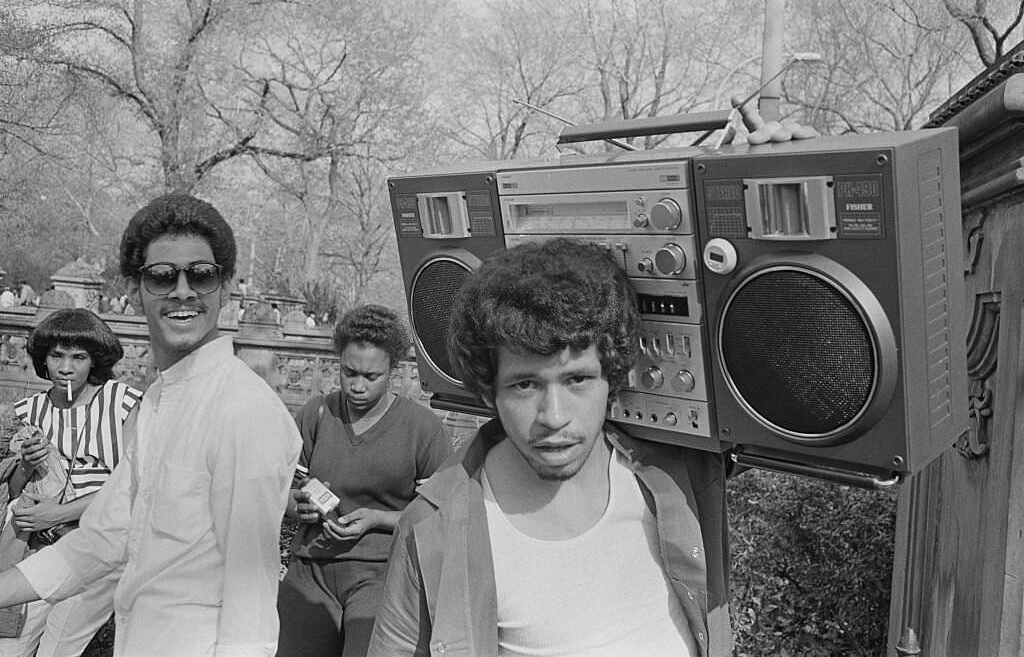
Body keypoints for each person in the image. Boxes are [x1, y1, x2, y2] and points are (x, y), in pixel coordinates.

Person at [368, 238, 733, 657]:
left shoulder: (682, 474)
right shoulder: (434, 528)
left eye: (576, 380)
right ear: (490, 393)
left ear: (611, 379)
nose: (553, 416)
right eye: (526, 385)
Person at [0, 193, 303, 656]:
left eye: (200, 275)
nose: (183, 291)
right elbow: (107, 538)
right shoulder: (158, 401)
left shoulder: (244, 410)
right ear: (136, 289)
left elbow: (252, 597)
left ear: (225, 288)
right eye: (162, 277)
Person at [277, 304, 451, 657]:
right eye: (348, 372)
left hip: (383, 575)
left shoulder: (422, 429)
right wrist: (300, 506)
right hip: (310, 571)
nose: (357, 386)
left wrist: (378, 519)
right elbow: (282, 493)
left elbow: (445, 517)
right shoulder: (317, 414)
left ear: (394, 372)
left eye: (371, 376)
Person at [0, 308, 141, 657]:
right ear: (43, 360)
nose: (66, 367)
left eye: (79, 357)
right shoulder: (29, 410)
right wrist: (27, 465)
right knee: (10, 647)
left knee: (58, 647)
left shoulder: (121, 402)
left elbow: (131, 485)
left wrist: (59, 513)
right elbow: (16, 490)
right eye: (56, 356)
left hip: (96, 540)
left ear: (95, 361)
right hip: (32, 542)